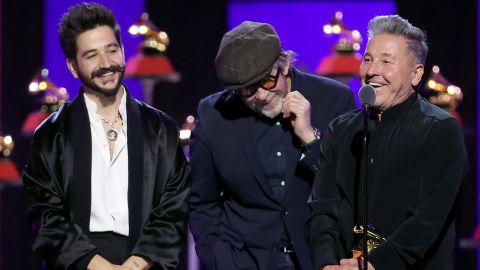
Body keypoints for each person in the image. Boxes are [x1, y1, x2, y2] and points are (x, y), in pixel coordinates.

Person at [22, 3, 190, 270]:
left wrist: (133, 266)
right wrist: (99, 266)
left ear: (123, 51)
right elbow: (45, 214)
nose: (106, 64)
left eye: (112, 50)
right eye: (91, 55)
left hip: (143, 262)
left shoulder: (160, 129)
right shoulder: (52, 135)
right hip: (78, 263)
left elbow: (174, 209)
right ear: (73, 66)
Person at [189, 21, 356, 270]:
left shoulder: (334, 99)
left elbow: (350, 187)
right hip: (244, 261)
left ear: (285, 64)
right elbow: (202, 201)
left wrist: (311, 139)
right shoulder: (214, 114)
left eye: (267, 81)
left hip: (318, 260)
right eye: (248, 89)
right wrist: (218, 258)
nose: (262, 95)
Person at [308, 15, 468, 270]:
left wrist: (372, 266)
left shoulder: (440, 130)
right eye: (368, 59)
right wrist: (326, 263)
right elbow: (323, 208)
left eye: (386, 61)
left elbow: (426, 221)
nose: (372, 71)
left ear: (416, 74)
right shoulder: (340, 129)